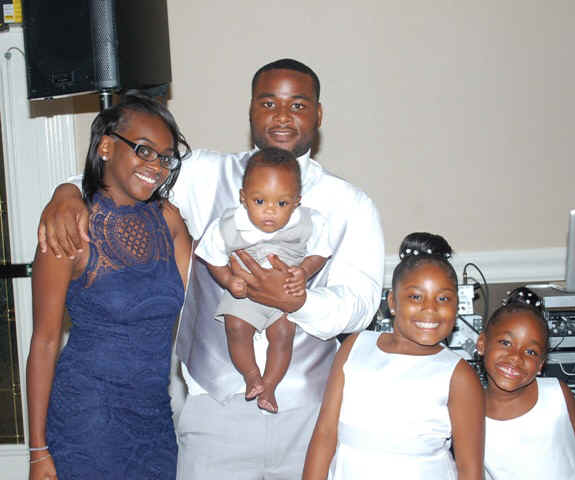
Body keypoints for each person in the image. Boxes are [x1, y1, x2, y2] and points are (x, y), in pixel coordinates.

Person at [36, 58, 384, 479]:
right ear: (251, 110)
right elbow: (127, 173)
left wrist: (298, 301)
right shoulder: (204, 174)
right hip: (213, 413)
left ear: (319, 114)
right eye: (268, 103)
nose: (281, 116)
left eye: (298, 105)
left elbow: (362, 304)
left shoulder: (350, 204)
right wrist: (66, 191)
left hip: (307, 413)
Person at [26, 94, 192, 480]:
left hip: (155, 417)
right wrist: (37, 451)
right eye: (144, 150)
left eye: (165, 158)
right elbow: (45, 341)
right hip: (87, 420)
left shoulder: (168, 220)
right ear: (105, 147)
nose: (156, 166)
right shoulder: (69, 228)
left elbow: (201, 297)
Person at [303, 232, 485, 480]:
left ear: (457, 306)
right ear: (392, 302)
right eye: (415, 297)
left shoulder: (459, 375)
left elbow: (470, 469)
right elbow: (325, 435)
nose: (430, 308)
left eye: (443, 298)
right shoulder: (354, 347)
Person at [195, 146, 332, 413]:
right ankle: (251, 376)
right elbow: (212, 257)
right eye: (260, 201)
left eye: (282, 204)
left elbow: (320, 253)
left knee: (282, 334)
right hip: (244, 292)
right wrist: (227, 280)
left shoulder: (310, 222)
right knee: (235, 328)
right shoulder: (227, 225)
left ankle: (269, 385)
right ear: (243, 198)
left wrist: (304, 271)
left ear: (297, 201)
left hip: (285, 295)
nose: (270, 211)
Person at [476, 289, 575, 479]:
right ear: (482, 344)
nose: (516, 357)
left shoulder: (556, 394)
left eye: (531, 352)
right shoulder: (471, 417)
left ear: (540, 365)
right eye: (505, 342)